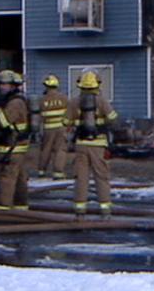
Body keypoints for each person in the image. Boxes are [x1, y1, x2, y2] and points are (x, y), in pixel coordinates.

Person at [66, 71, 118, 220]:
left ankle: (80, 211)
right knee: (101, 177)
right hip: (98, 144)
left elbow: (65, 122)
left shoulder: (73, 102)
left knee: (81, 178)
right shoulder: (102, 101)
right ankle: (105, 210)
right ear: (97, 85)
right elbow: (113, 119)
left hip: (81, 144)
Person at [0, 70, 30, 210]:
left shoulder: (15, 103)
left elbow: (3, 122)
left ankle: (3, 209)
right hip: (17, 147)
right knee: (19, 179)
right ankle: (21, 208)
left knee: (6, 179)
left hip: (11, 147)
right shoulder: (15, 101)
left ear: (14, 86)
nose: (1, 87)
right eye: (0, 84)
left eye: (5, 84)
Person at [39, 74, 69, 179]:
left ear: (46, 86)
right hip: (61, 128)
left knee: (45, 149)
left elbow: (40, 116)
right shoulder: (64, 98)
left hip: (47, 129)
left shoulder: (42, 100)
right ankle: (58, 172)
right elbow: (69, 114)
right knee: (60, 149)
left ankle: (42, 171)